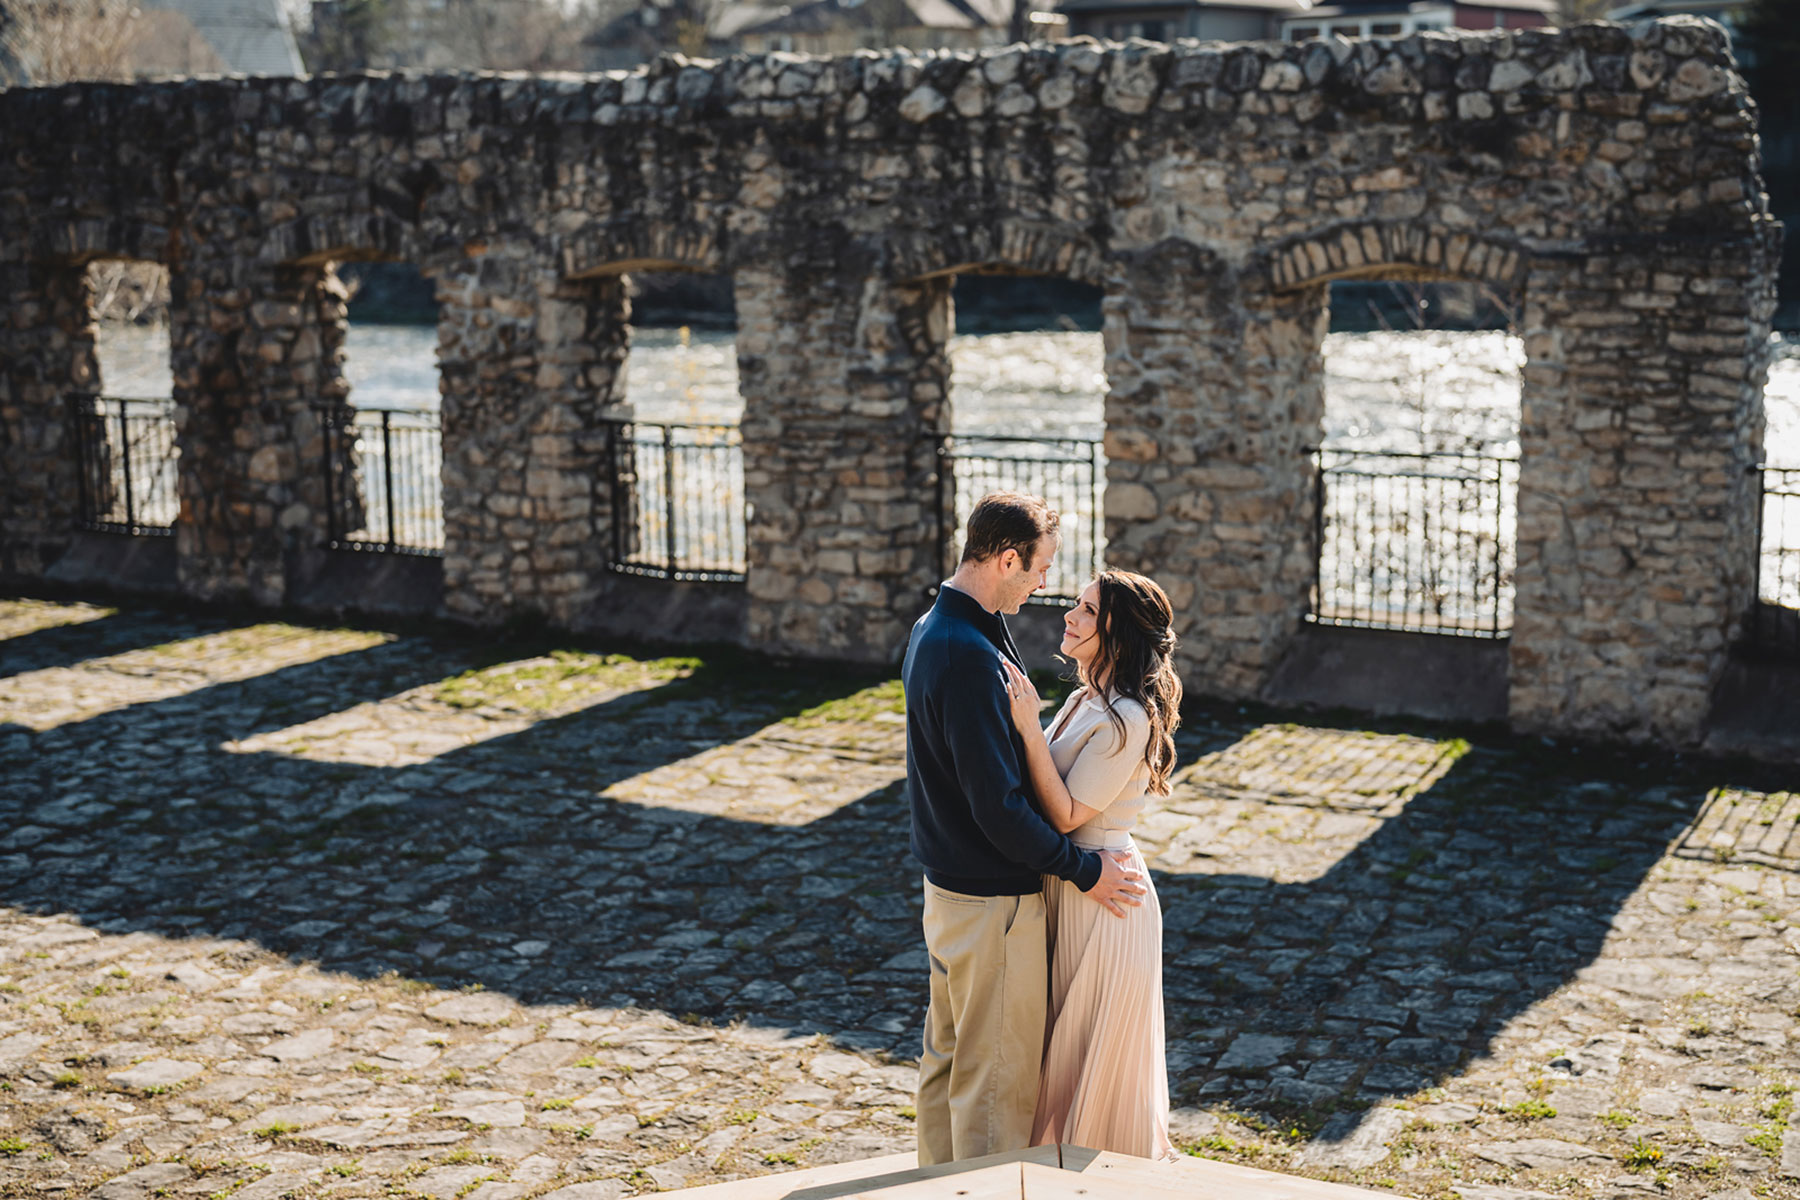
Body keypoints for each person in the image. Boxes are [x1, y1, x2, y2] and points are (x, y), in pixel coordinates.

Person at [903, 492, 1148, 1167]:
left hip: (948, 890)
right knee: (994, 1085)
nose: (1046, 586)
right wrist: (1084, 869)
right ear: (1007, 558)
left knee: (948, 1064)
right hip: (991, 904)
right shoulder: (967, 652)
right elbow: (998, 807)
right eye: (1039, 569)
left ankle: (932, 1185)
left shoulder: (943, 625)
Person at [1000, 569, 1182, 1161]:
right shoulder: (1084, 696)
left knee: (1092, 1054)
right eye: (1074, 605)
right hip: (1076, 885)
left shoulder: (1126, 715)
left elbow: (1068, 813)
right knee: (1064, 1045)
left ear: (1118, 634)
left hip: (1108, 897)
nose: (1068, 617)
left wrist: (1027, 728)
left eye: (1084, 611)